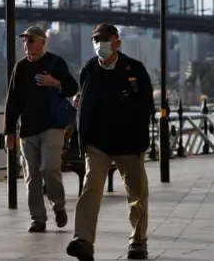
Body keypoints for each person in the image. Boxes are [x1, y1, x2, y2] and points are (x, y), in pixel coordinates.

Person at [66, 24, 154, 261]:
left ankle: (138, 242)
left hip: (129, 140)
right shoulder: (89, 69)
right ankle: (83, 240)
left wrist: (137, 129)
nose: (99, 44)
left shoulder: (134, 69)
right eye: (96, 40)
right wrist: (82, 141)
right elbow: (83, 103)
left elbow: (147, 104)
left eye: (105, 39)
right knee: (90, 188)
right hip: (97, 141)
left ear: (117, 42)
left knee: (136, 193)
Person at [4, 25, 79, 233]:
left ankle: (59, 206)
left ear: (42, 42)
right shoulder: (20, 68)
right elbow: (13, 101)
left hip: (52, 126)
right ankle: (38, 218)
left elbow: (73, 88)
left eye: (30, 40)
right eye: (24, 41)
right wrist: (9, 132)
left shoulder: (55, 62)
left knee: (49, 168)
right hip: (27, 129)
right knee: (31, 175)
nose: (26, 45)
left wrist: (54, 83)